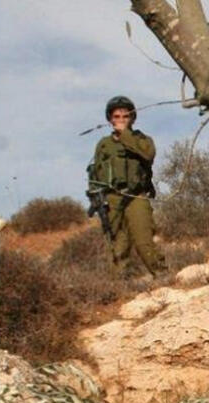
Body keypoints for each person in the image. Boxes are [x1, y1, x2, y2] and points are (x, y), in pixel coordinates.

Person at [87, 95, 167, 276]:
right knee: (117, 242)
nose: (121, 120)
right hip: (111, 197)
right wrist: (96, 198)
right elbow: (95, 172)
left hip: (136, 195)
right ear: (109, 119)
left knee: (143, 240)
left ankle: (162, 276)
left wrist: (125, 134)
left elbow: (148, 155)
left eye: (125, 116)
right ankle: (121, 285)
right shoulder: (104, 145)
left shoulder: (141, 139)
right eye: (116, 117)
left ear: (132, 118)